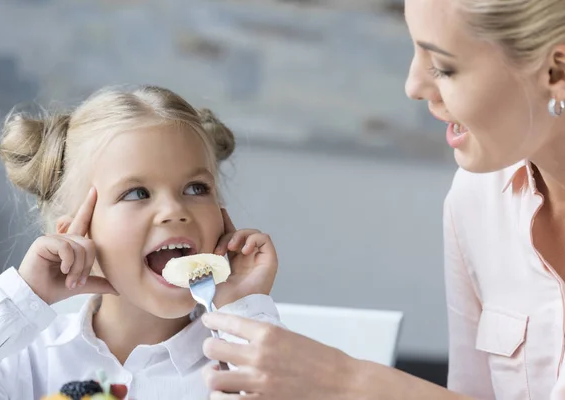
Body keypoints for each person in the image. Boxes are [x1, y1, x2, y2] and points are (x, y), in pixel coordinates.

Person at [199, 0, 565, 399]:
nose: (413, 86)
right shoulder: (477, 199)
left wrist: (346, 382)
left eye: (443, 66)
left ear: (556, 70)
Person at [0, 85, 280, 399]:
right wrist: (23, 301)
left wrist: (244, 312)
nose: (174, 210)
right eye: (136, 193)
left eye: (196, 188)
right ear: (77, 233)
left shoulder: (231, 362)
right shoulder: (28, 360)